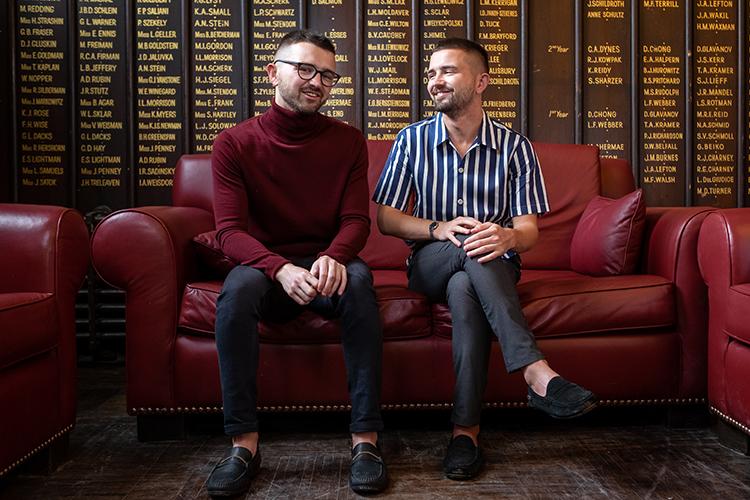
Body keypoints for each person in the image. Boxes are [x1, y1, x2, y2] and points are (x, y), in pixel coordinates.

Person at [373, 38, 598, 481]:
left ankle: (465, 434)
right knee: (464, 247)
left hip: (493, 263)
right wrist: (439, 228)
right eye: (432, 72)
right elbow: (386, 219)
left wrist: (507, 234)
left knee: (466, 284)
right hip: (429, 262)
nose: (435, 80)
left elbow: (529, 232)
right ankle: (534, 370)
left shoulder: (516, 148)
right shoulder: (411, 141)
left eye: (448, 71)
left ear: (481, 82)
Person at [206, 30, 387, 496]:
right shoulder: (233, 143)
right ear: (274, 72)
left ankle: (365, 440)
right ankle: (243, 444)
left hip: (327, 263)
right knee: (236, 292)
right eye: (305, 69)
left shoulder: (348, 140)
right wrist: (278, 268)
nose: (317, 82)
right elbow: (229, 232)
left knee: (360, 285)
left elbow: (355, 220)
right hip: (267, 269)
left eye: (327, 75)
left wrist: (334, 256)